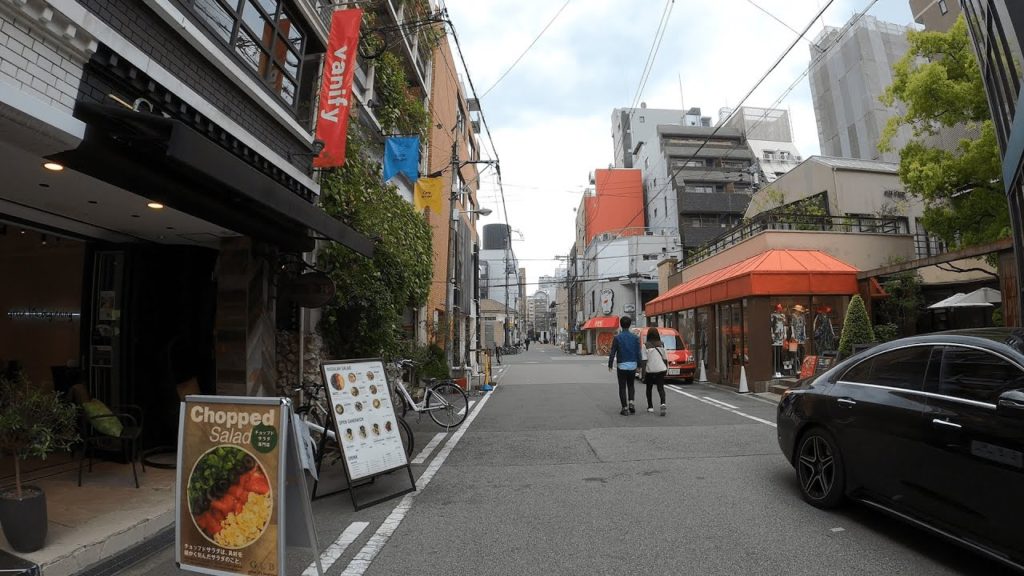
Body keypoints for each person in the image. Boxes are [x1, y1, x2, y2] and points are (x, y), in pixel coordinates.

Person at [608, 316, 641, 415]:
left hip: (621, 365)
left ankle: (624, 408)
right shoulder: (635, 338)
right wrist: (639, 365)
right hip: (633, 365)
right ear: (629, 325)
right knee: (631, 385)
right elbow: (638, 352)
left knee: (622, 387)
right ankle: (631, 403)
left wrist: (610, 364)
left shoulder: (617, 338)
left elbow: (612, 352)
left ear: (621, 325)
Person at [640, 329, 668, 416]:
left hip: (650, 370)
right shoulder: (662, 344)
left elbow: (644, 361)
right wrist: (666, 368)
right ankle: (663, 403)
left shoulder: (645, 345)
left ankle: (650, 407)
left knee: (649, 388)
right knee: (660, 388)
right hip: (661, 369)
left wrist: (643, 374)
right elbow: (665, 358)